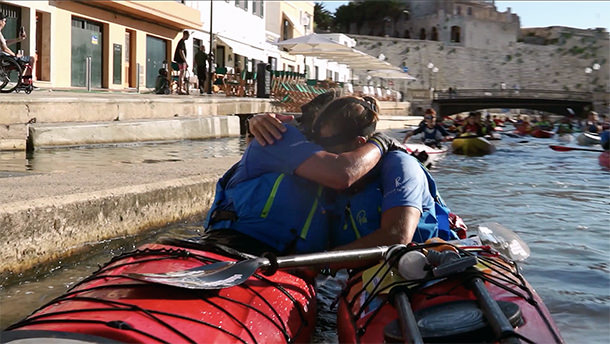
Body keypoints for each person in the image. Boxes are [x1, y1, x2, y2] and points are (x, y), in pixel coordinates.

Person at [249, 97, 461, 258]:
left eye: (329, 149)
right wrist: (257, 119)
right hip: (367, 277)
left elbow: (397, 236)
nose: (322, 155)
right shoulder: (327, 180)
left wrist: (320, 263)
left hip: (422, 262)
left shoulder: (400, 165)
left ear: (360, 143)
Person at [202, 95, 399, 256]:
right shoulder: (280, 135)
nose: (324, 148)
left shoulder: (347, 166)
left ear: (358, 144)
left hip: (290, 264)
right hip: (234, 244)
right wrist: (381, 143)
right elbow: (343, 172)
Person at [0, 13, 37, 85]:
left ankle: (22, 80)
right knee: (31, 59)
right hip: (3, 57)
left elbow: (5, 42)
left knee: (23, 61)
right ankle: (25, 81)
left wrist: (18, 39)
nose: (5, 23)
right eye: (4, 21)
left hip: (4, 56)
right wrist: (15, 55)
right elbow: (4, 48)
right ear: (0, 21)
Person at [173, 30, 189, 94]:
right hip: (181, 61)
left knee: (181, 74)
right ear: (185, 34)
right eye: (188, 35)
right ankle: (180, 89)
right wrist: (185, 61)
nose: (188, 37)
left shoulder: (181, 42)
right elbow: (181, 51)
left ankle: (180, 88)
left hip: (180, 60)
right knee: (182, 74)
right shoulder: (182, 42)